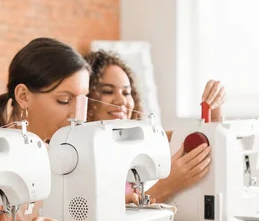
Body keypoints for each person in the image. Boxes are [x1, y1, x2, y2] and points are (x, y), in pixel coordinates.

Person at [0, 37, 91, 221]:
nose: (77, 116)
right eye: (64, 100)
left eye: (83, 102)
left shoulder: (59, 157)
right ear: (24, 96)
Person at [84, 49, 226, 204]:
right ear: (85, 97)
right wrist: (167, 186)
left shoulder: (147, 141)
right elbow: (108, 216)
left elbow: (206, 138)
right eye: (107, 91)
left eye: (126, 93)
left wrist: (214, 104)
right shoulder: (84, 157)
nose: (121, 101)